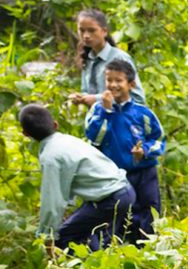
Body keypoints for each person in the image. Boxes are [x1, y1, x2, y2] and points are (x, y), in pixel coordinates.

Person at [18, 103, 135, 251]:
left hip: (110, 200)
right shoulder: (67, 140)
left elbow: (52, 201)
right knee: (99, 242)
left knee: (64, 238)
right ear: (55, 124)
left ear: (25, 134)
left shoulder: (50, 157)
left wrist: (47, 237)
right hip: (125, 191)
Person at [84, 59, 165, 242]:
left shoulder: (143, 113)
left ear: (131, 84)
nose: (113, 85)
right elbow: (94, 137)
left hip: (144, 173)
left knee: (149, 215)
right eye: (109, 80)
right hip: (113, 175)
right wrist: (106, 111)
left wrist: (144, 150)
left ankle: (147, 252)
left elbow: (159, 139)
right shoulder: (97, 110)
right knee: (116, 217)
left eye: (118, 80)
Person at [68, 9, 145, 107]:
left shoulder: (119, 58)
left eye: (92, 30)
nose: (86, 35)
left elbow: (138, 98)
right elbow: (88, 92)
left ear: (104, 31)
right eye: (82, 30)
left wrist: (97, 99)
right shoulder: (88, 59)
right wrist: (81, 98)